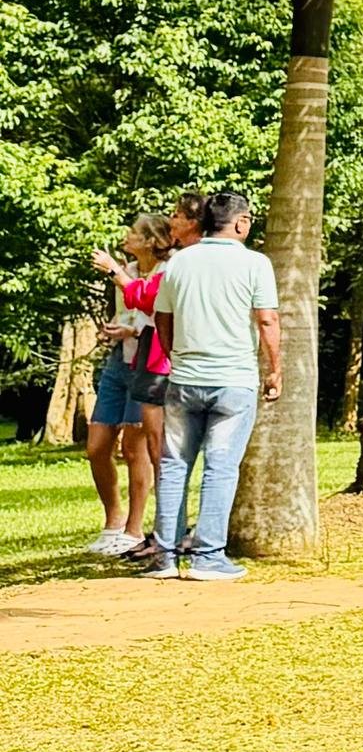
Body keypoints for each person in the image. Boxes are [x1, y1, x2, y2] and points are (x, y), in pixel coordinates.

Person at [149, 189, 281, 580]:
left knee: (173, 466)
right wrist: (275, 369)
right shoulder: (255, 264)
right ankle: (208, 558)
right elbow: (268, 320)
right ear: (240, 223)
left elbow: (162, 319)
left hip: (184, 381)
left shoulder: (179, 263)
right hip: (234, 382)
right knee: (220, 468)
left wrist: (176, 357)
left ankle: (165, 558)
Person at [83, 218, 168, 558]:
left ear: (150, 241)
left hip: (147, 363)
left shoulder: (167, 270)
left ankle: (133, 530)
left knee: (136, 449)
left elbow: (155, 313)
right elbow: (130, 313)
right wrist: (118, 330)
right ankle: (113, 521)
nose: (126, 236)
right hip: (120, 362)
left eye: (134, 232)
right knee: (97, 445)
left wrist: (130, 330)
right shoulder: (129, 268)